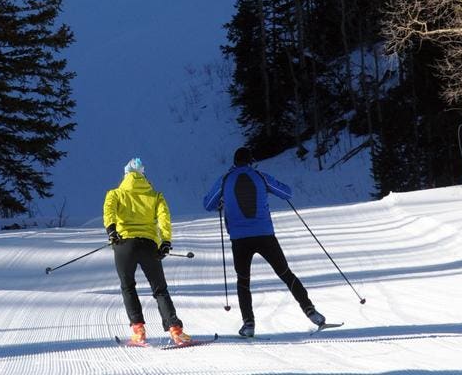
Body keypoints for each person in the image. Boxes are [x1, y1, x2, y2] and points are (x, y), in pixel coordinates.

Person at [203, 146, 325, 338]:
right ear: (251, 161)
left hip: (239, 239)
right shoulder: (260, 176)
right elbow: (287, 193)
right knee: (285, 273)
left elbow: (208, 204)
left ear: (234, 162)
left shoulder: (225, 179)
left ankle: (249, 324)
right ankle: (311, 312)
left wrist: (222, 201)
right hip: (264, 235)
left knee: (243, 281)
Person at [103, 157, 191, 346]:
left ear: (125, 175)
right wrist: (165, 241)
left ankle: (138, 330)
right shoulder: (155, 196)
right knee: (160, 289)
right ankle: (175, 329)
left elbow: (109, 212)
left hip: (124, 245)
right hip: (149, 245)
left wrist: (112, 231)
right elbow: (164, 218)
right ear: (143, 175)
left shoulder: (115, 194)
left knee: (128, 286)